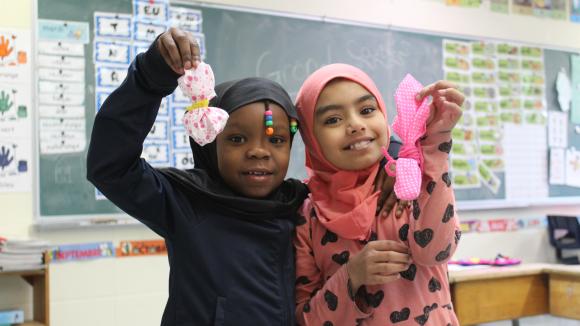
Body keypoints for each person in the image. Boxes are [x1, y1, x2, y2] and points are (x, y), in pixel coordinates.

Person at [87, 28, 309, 325]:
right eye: (237, 139)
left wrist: (393, 165)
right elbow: (110, 166)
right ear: (209, 141)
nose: (259, 151)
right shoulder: (186, 203)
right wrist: (149, 78)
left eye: (277, 140)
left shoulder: (302, 205)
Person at [294, 63, 464, 325]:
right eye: (332, 120)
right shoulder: (308, 214)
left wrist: (436, 144)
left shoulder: (411, 180)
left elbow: (437, 251)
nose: (355, 125)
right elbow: (305, 318)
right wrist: (351, 276)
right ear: (310, 138)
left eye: (366, 110)